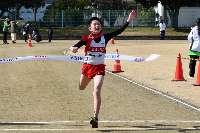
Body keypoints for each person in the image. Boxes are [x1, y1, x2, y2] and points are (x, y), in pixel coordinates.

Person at [69, 10, 136, 128]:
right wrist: (72, 48)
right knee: (81, 87)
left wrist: (129, 20)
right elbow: (75, 46)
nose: (97, 25)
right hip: (87, 67)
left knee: (97, 90)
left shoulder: (105, 37)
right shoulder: (86, 39)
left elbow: (119, 31)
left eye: (98, 24)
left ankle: (95, 118)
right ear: (90, 28)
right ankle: (95, 114)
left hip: (99, 68)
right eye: (94, 24)